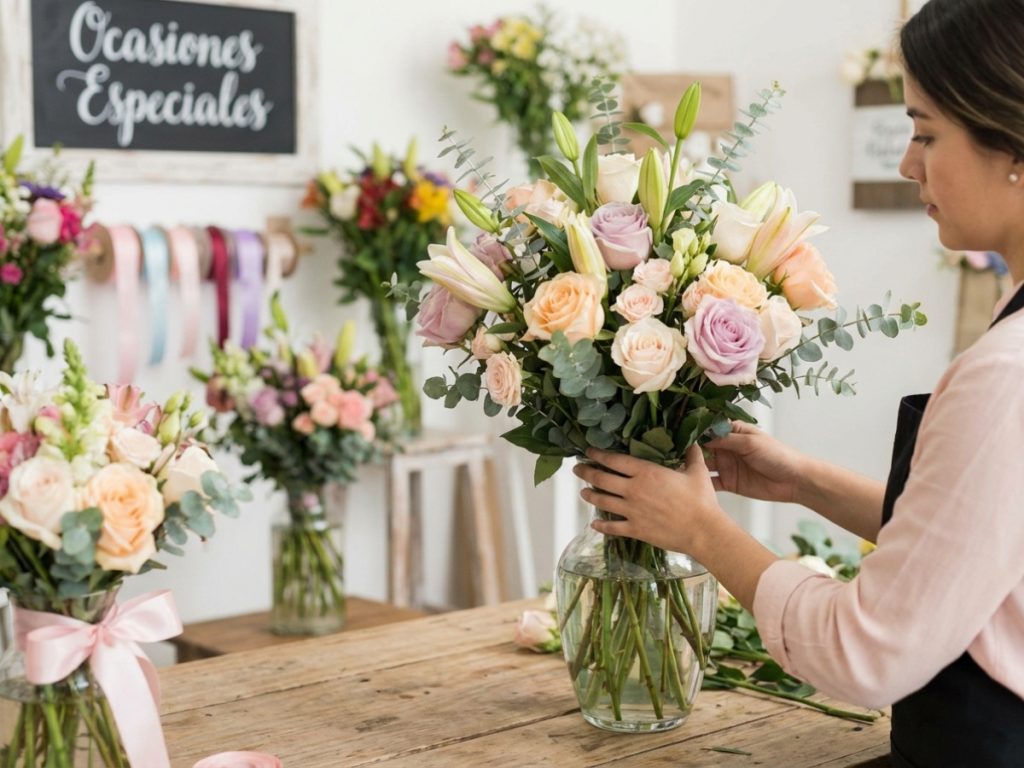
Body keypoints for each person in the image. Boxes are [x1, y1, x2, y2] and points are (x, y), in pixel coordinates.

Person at [573, 0, 1024, 764]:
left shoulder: (1005, 378)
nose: (907, 162)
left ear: (1013, 142)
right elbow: (978, 552)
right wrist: (805, 480)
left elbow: (868, 653)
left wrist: (701, 533)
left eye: (925, 132)